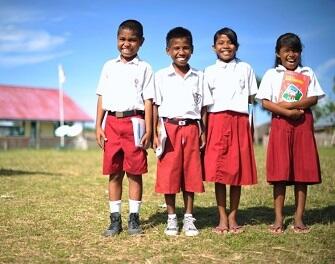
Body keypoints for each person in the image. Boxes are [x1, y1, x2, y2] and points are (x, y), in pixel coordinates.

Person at [256, 33, 325, 234]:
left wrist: (292, 105)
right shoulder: (271, 74)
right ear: (278, 54)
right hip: (280, 124)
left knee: (301, 171)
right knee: (280, 172)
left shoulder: (307, 72)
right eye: (286, 50)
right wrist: (286, 112)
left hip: (303, 123)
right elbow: (266, 102)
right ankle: (278, 218)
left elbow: (313, 98)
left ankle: (299, 218)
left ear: (300, 52)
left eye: (295, 50)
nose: (291, 54)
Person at [95, 19, 154, 236]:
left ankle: (134, 219)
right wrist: (98, 125)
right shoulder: (108, 66)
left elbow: (148, 100)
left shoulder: (145, 67)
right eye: (122, 39)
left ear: (141, 42)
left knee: (135, 172)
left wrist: (149, 128)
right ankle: (114, 219)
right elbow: (101, 96)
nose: (126, 44)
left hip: (135, 123)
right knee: (114, 172)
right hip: (111, 123)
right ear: (116, 40)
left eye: (132, 40)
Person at [153, 27, 213, 236]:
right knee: (169, 174)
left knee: (190, 173)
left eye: (185, 47)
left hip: (191, 128)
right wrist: (154, 132)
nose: (181, 52)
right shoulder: (161, 76)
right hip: (168, 129)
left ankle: (188, 217)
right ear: (168, 50)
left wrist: (202, 130)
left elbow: (204, 107)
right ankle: (171, 218)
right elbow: (153, 106)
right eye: (176, 48)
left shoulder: (199, 76)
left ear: (192, 50)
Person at [203, 27, 258, 234]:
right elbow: (205, 106)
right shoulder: (209, 71)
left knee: (236, 171)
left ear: (236, 46)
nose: (226, 46)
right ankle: (222, 217)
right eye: (221, 43)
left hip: (240, 120)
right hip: (216, 121)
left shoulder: (245, 68)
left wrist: (249, 127)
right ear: (214, 47)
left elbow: (251, 101)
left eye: (230, 42)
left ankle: (234, 217)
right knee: (219, 171)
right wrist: (204, 130)